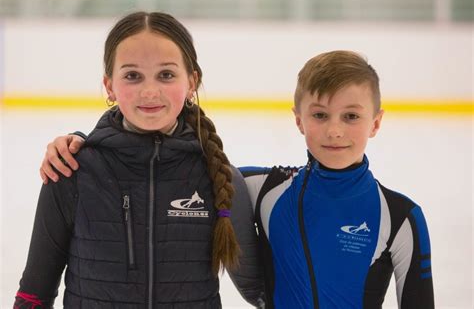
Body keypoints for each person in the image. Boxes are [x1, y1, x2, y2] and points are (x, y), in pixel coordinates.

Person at [39, 51, 435, 308]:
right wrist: (80, 143)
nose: (334, 131)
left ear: (376, 122)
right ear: (298, 119)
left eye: (351, 116)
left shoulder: (400, 217)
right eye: (319, 115)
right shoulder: (260, 190)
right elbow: (161, 173)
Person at [15, 11, 264, 309]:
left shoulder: (218, 177)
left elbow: (262, 292)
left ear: (192, 82)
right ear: (109, 85)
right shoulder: (72, 171)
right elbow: (33, 293)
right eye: (132, 75)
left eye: (166, 75)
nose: (149, 91)